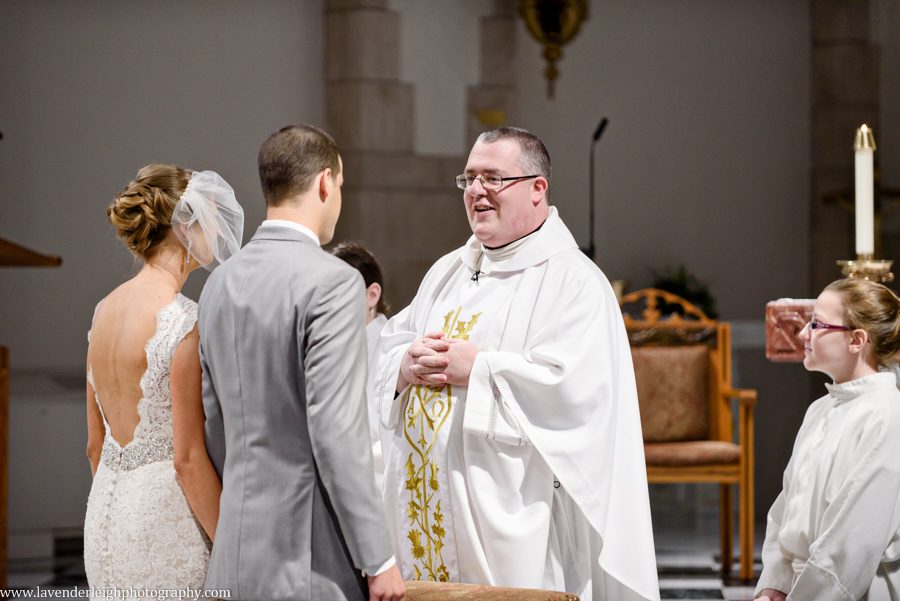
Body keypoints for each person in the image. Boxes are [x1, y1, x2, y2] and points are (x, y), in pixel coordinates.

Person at [373, 127, 659, 601]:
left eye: (493, 178)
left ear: (537, 189)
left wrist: (480, 368)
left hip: (517, 513)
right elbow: (390, 343)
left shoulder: (574, 282)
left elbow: (576, 395)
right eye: (468, 180)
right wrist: (406, 363)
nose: (478, 191)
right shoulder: (448, 271)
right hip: (426, 508)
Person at [198, 125, 404, 601]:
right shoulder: (332, 283)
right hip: (307, 556)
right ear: (326, 183)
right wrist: (378, 558)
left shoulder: (219, 283)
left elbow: (215, 424)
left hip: (234, 549)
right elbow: (337, 432)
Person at [84, 164, 244, 588]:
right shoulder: (181, 321)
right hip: (164, 522)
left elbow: (94, 447)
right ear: (185, 228)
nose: (216, 229)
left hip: (105, 518)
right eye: (208, 218)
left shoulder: (102, 312)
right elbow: (187, 459)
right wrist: (233, 556)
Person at [755, 278, 900, 601]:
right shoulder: (821, 409)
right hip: (797, 587)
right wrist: (773, 586)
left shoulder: (886, 416)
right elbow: (786, 507)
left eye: (817, 324)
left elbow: (853, 541)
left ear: (856, 340)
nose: (803, 333)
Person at [330, 241, 391, 491]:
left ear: (372, 295)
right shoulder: (330, 344)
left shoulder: (390, 345)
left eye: (339, 292)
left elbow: (383, 432)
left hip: (371, 484)